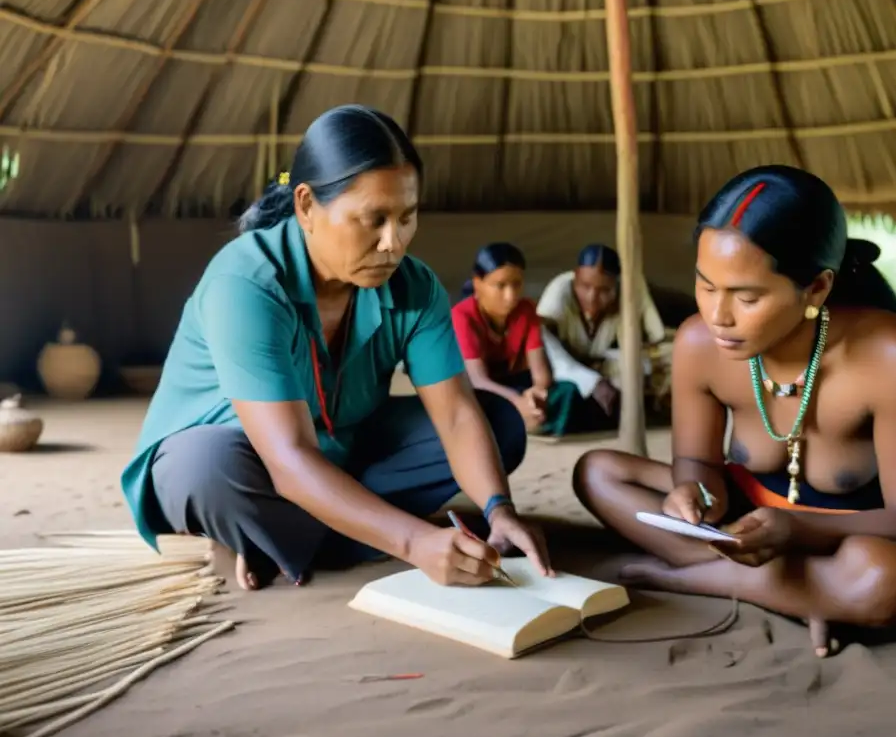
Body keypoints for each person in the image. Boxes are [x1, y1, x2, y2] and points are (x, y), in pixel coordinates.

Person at [120, 105, 552, 592]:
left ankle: (286, 537)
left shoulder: (414, 286)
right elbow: (288, 457)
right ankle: (348, 526)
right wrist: (415, 543)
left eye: (407, 218)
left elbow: (454, 414)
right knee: (202, 469)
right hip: (249, 458)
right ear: (306, 206)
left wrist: (500, 509)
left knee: (498, 422)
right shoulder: (246, 284)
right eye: (374, 220)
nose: (394, 243)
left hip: (344, 447)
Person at [572, 165, 896, 656]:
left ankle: (691, 579)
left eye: (746, 297)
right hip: (740, 529)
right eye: (706, 287)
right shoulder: (697, 342)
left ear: (816, 288)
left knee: (892, 579)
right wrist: (694, 492)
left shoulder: (890, 354)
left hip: (842, 541)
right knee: (598, 472)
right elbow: (699, 464)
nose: (718, 316)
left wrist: (798, 529)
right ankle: (798, 592)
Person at [451, 243, 579, 436]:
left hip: (516, 385)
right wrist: (516, 399)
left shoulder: (526, 311)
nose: (510, 296)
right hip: (482, 389)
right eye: (500, 286)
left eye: (516, 284)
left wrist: (535, 393)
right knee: (468, 404)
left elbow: (541, 374)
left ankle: (527, 419)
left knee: (567, 390)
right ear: (478, 283)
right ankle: (525, 421)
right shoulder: (462, 316)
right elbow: (478, 380)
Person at [537, 245, 671, 427]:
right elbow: (545, 348)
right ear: (575, 276)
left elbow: (649, 342)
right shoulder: (559, 292)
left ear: (616, 284)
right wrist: (592, 382)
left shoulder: (629, 291)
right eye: (585, 287)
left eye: (604, 290)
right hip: (569, 367)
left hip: (605, 362)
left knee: (673, 357)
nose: (592, 297)